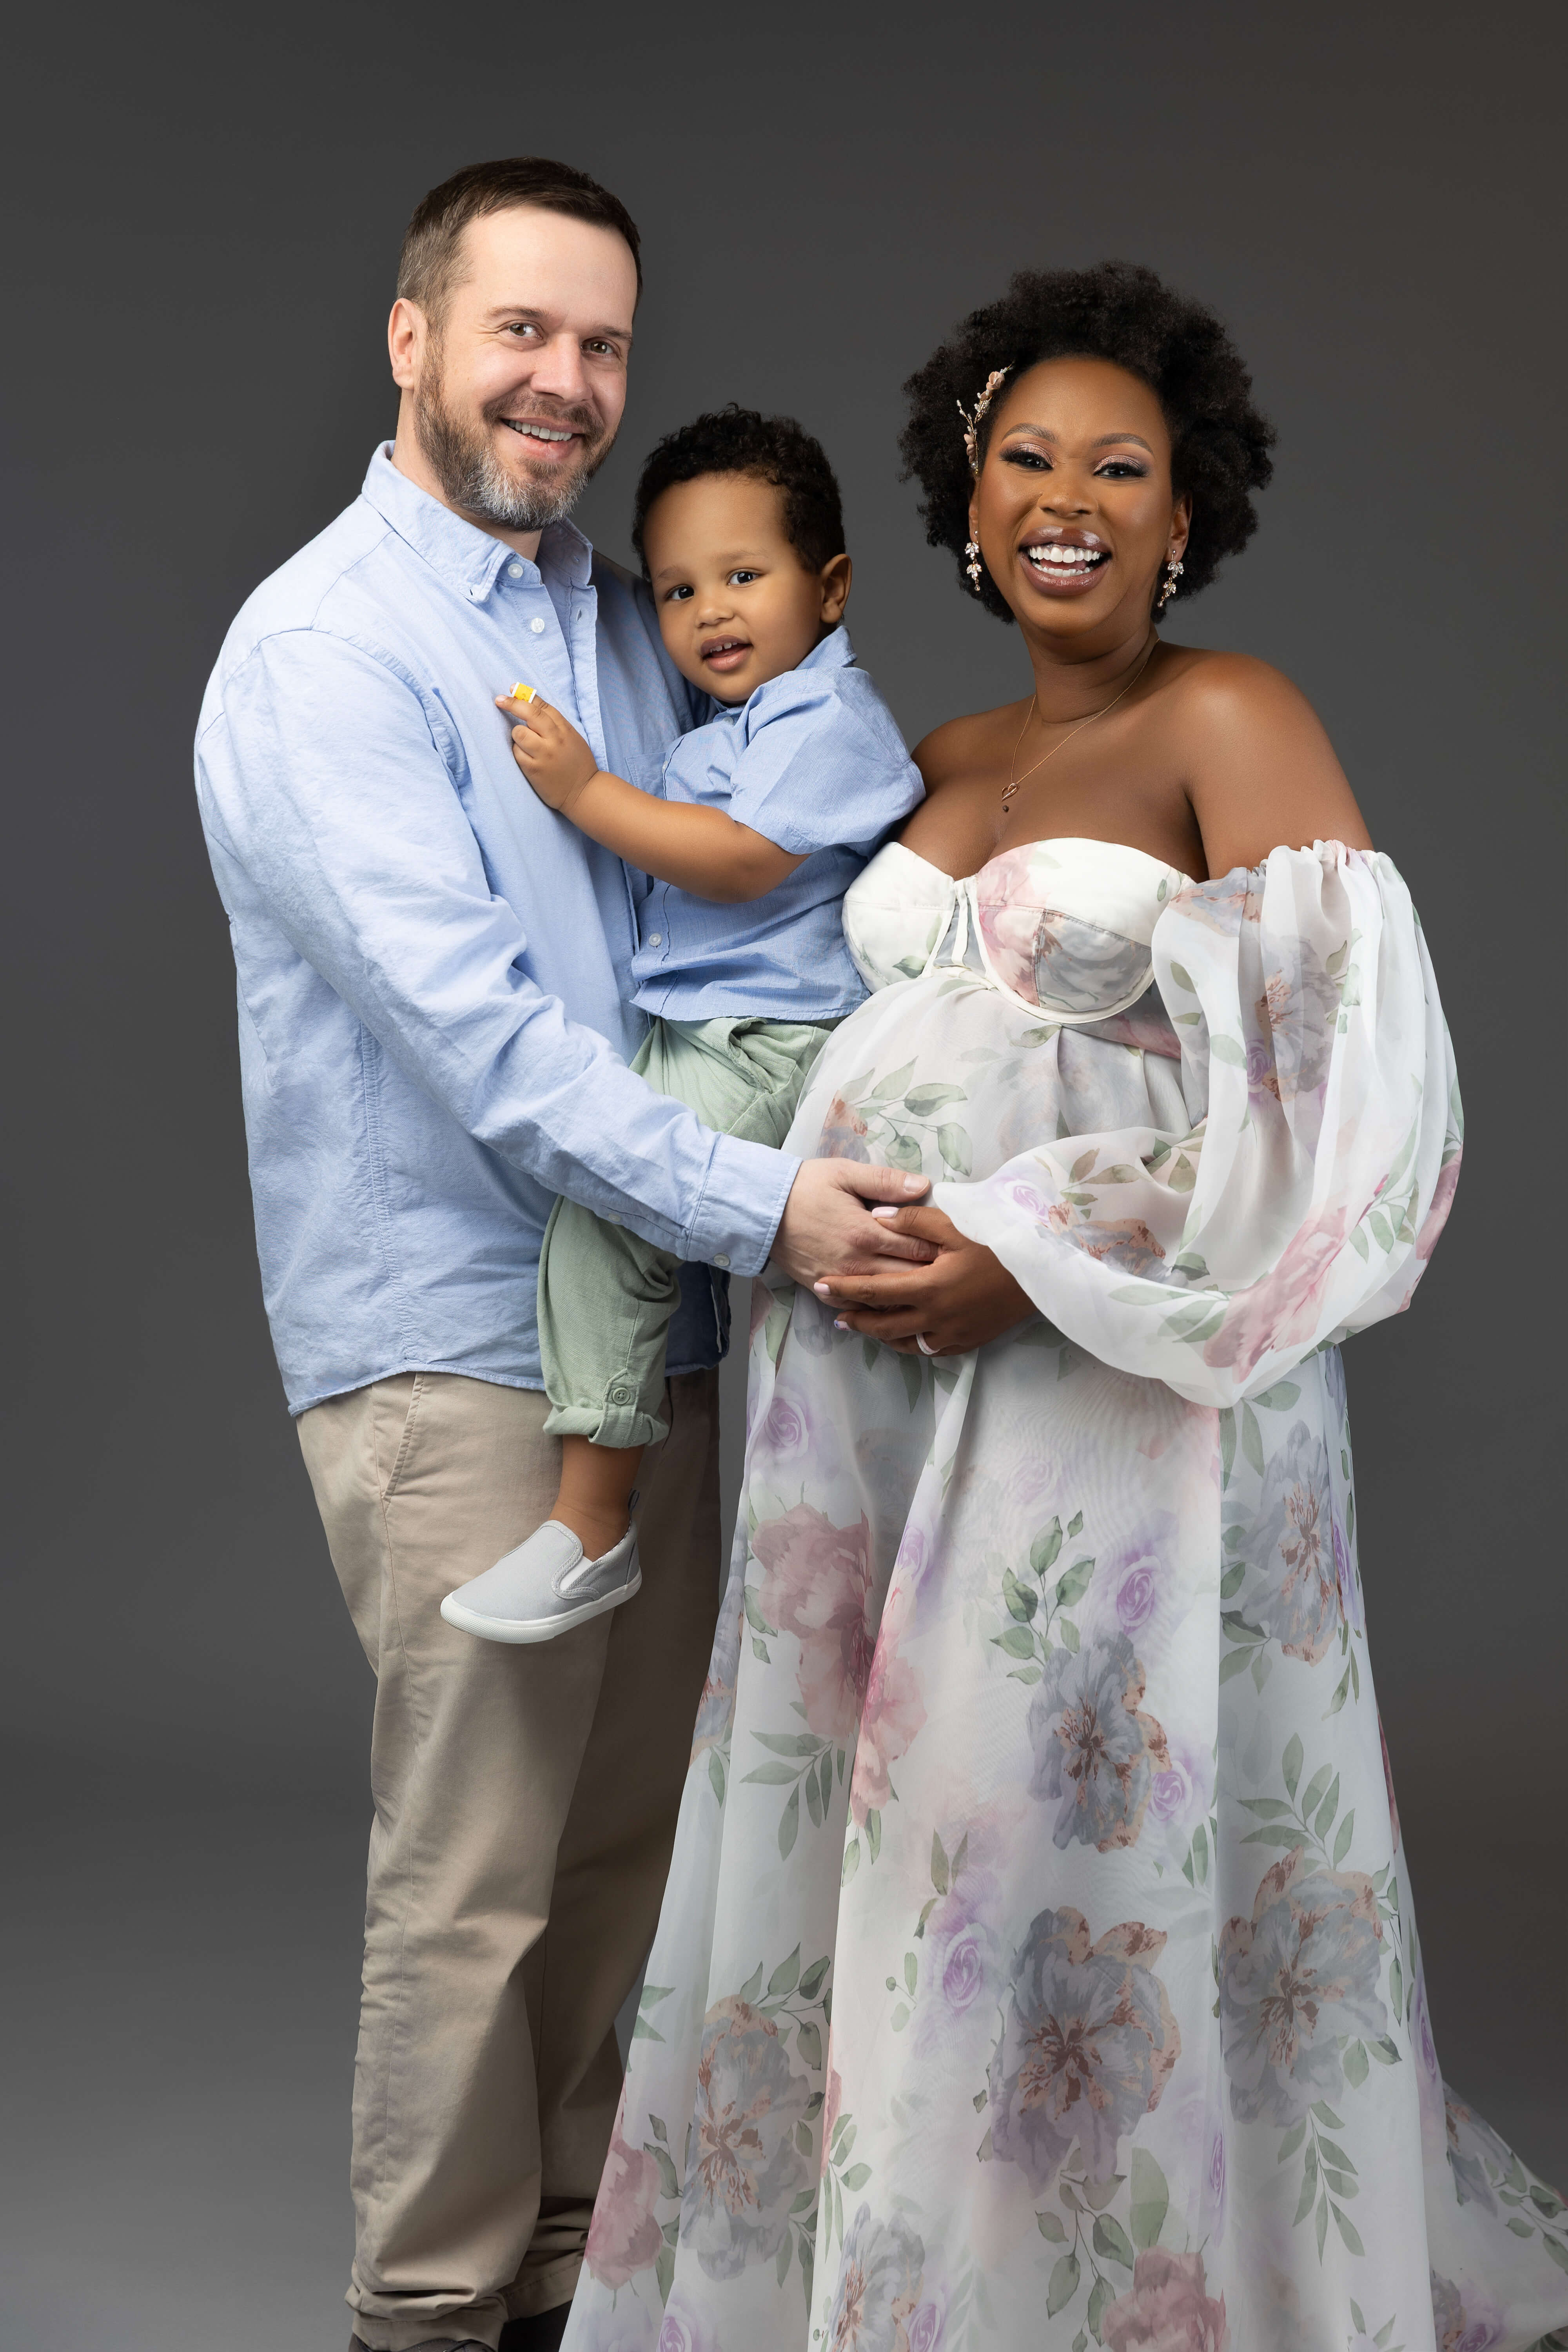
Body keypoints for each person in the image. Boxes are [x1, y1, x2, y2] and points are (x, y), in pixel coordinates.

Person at [560, 265, 1568, 2350]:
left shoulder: (1232, 718)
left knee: (1040, 1847)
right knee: (894, 1833)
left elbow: (1354, 1116)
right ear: (964, 497)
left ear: (1187, 512)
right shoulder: (931, 751)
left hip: (1108, 1394)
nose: (1070, 499)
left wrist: (1032, 1259)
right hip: (858, 1403)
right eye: (1027, 458)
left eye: (1124, 466)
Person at [194, 158, 930, 2352]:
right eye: (522, 330)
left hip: (664, 1315)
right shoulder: (326, 650)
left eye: (602, 343)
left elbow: (753, 879)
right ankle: (425, 2314)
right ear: (413, 337)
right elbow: (491, 1050)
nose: (567, 382)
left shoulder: (623, 614)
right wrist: (772, 1206)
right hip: (456, 1336)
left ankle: (565, 2284)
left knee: (622, 1857)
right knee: (478, 1881)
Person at [441, 407, 923, 1645]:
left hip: (774, 1039)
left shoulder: (829, 719)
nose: (710, 612)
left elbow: (740, 861)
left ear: (832, 588)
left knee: (616, 1216)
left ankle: (590, 1526)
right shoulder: (734, 723)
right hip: (707, 1033)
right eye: (676, 590)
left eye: (744, 577)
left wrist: (585, 791)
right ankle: (602, 1511)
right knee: (606, 1218)